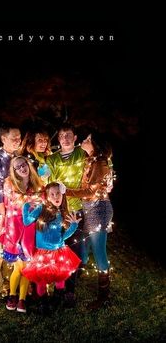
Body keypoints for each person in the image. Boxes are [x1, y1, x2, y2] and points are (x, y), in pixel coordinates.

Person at [66, 131, 115, 309]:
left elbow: (90, 192)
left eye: (88, 139)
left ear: (96, 145)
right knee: (84, 245)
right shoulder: (92, 161)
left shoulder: (100, 163)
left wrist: (67, 191)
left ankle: (104, 296)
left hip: (98, 209)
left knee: (99, 252)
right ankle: (77, 275)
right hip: (90, 208)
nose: (84, 141)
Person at [22, 182, 81, 314]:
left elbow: (62, 236)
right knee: (41, 280)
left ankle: (57, 298)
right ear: (47, 196)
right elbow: (26, 221)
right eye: (52, 194)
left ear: (62, 194)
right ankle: (43, 303)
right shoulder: (41, 209)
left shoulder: (62, 213)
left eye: (58, 193)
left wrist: (73, 226)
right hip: (42, 253)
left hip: (59, 252)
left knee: (60, 279)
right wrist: (26, 206)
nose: (55, 197)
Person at [0, 156, 44, 313]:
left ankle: (22, 299)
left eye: (24, 165)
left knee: (27, 267)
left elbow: (41, 202)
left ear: (28, 165)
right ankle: (12, 295)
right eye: (18, 167)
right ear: (13, 170)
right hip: (14, 231)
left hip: (30, 232)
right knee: (19, 267)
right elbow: (16, 202)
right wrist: (31, 201)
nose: (22, 168)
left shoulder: (36, 184)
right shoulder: (9, 183)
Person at [46, 123, 86, 307]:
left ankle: (70, 291)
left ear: (75, 137)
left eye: (69, 135)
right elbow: (50, 183)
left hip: (75, 210)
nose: (65, 139)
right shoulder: (52, 159)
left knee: (74, 250)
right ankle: (57, 289)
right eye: (61, 136)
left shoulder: (82, 154)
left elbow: (104, 161)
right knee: (57, 250)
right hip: (57, 211)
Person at [0, 123, 21, 301]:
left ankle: (9, 282)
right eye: (13, 137)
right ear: (3, 138)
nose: (17, 140)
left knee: (11, 247)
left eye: (19, 137)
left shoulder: (18, 157)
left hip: (15, 211)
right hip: (0, 212)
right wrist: (2, 214)